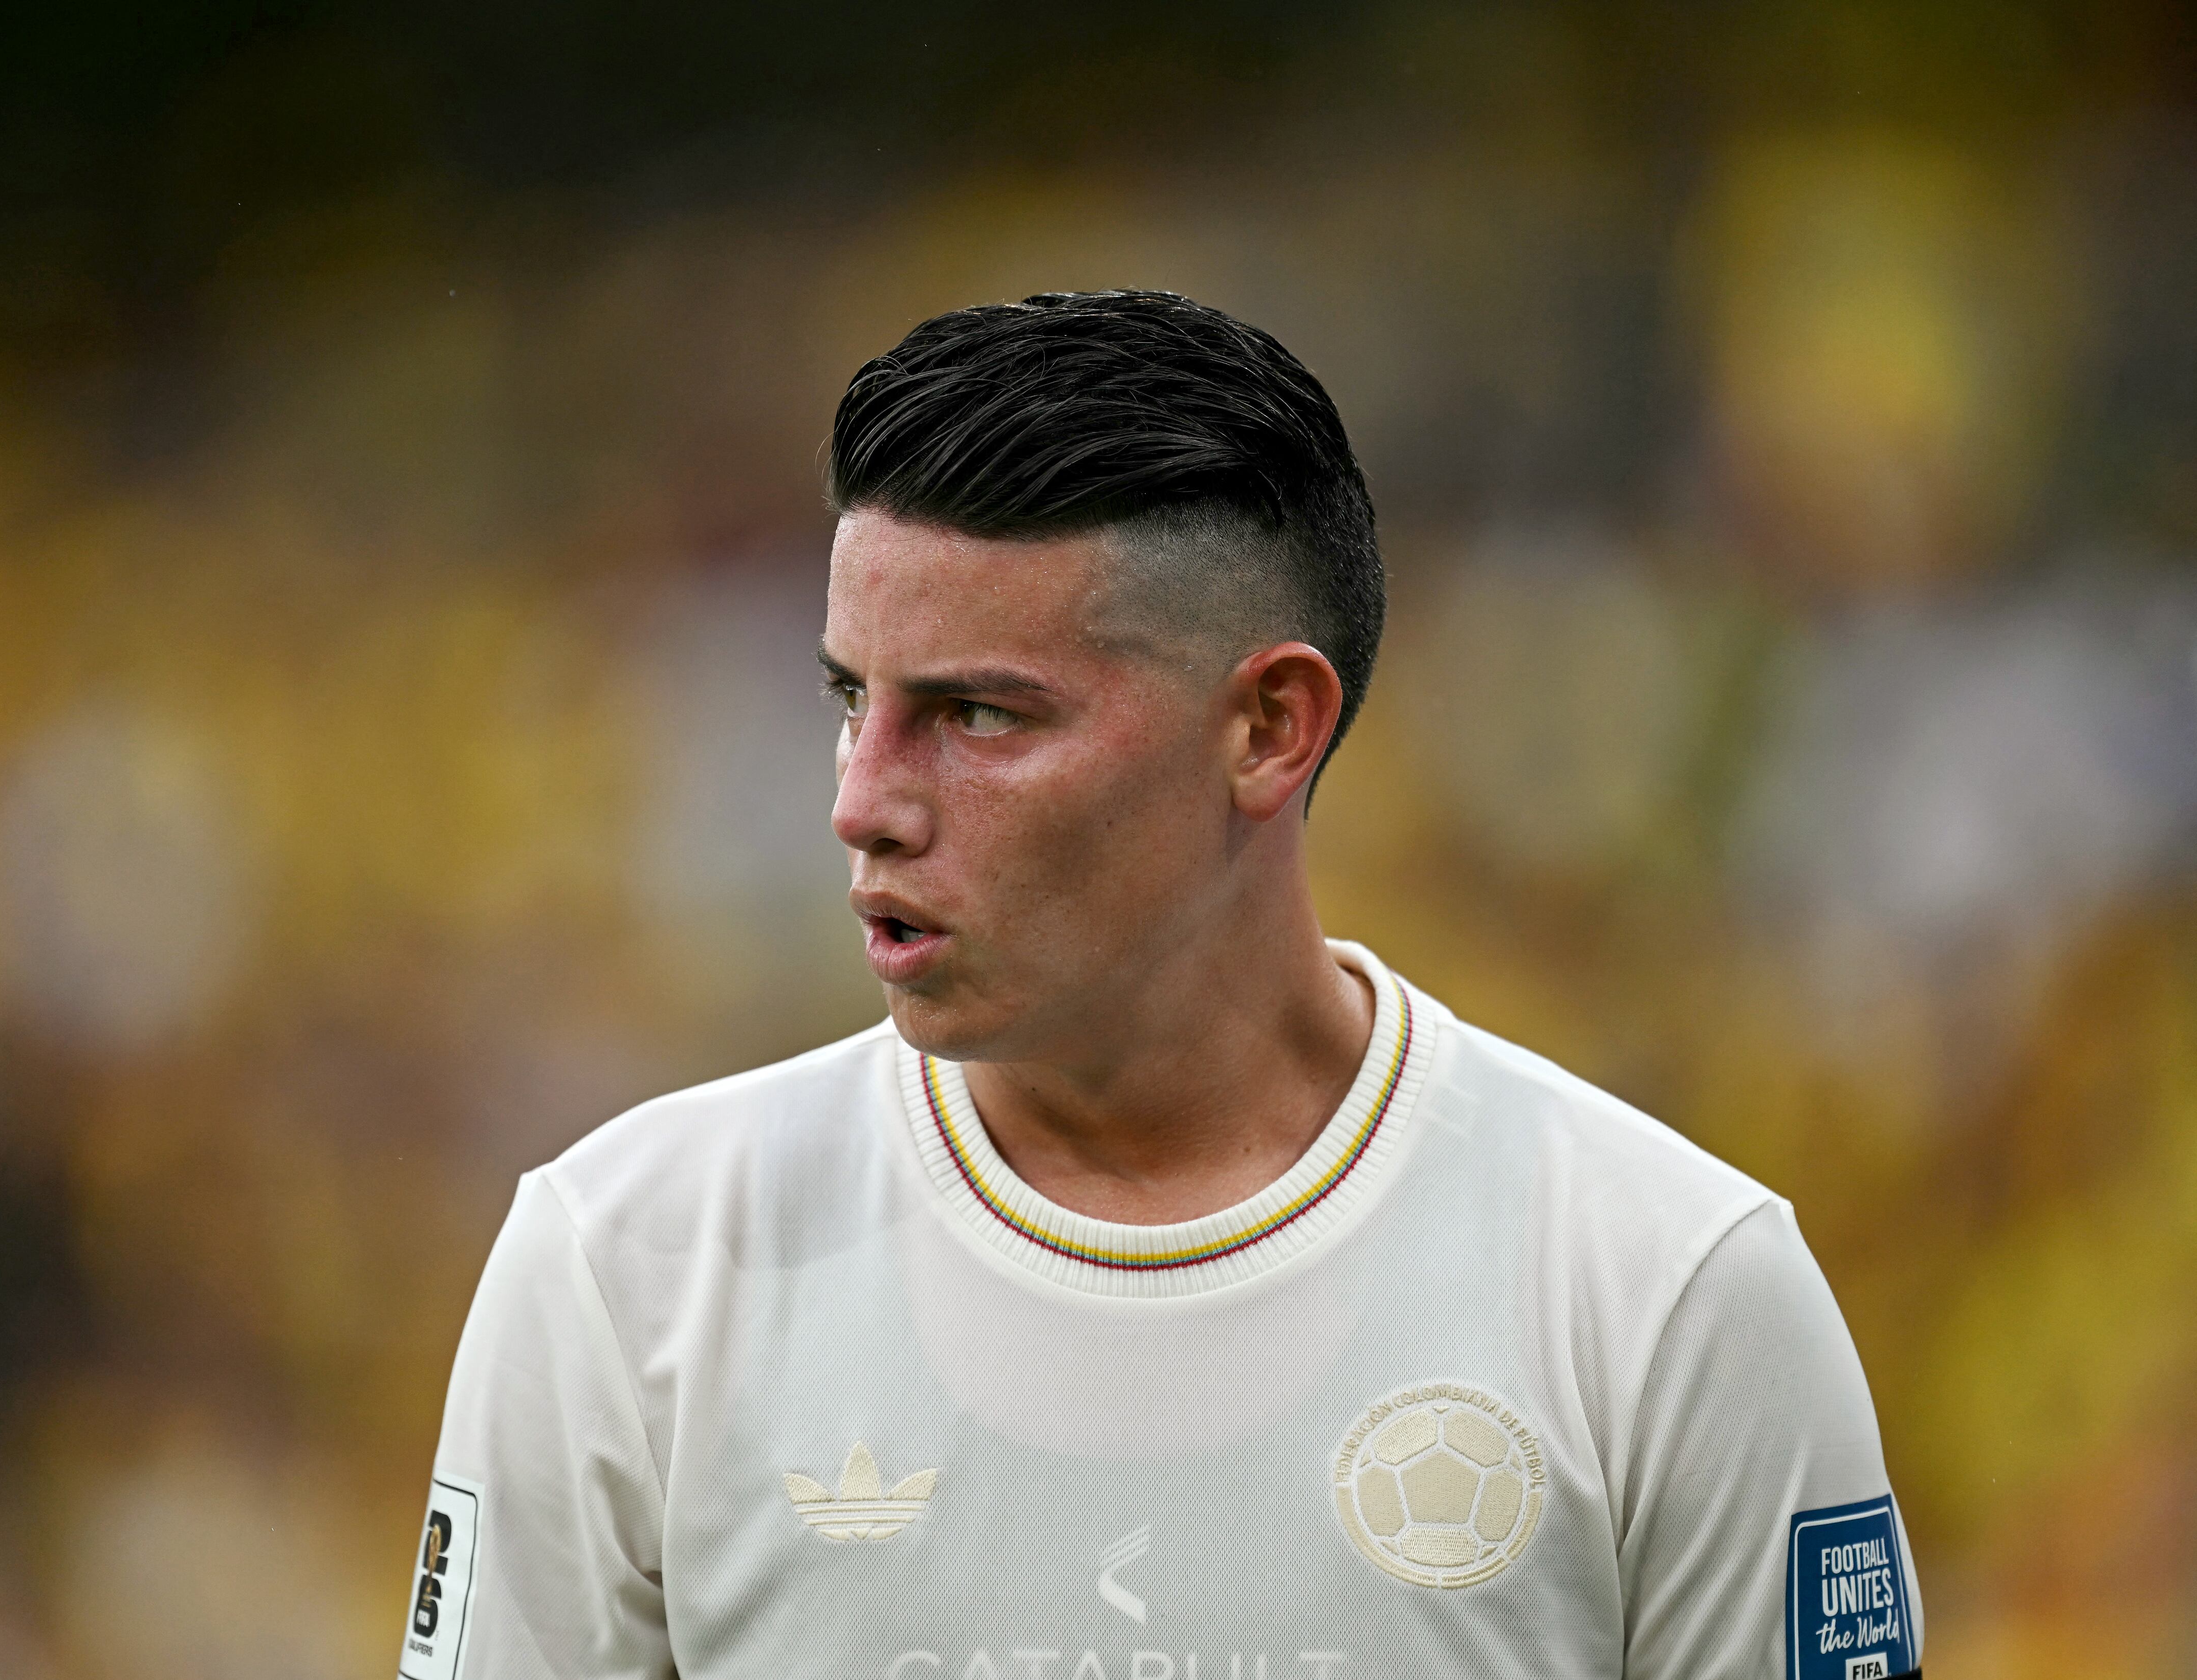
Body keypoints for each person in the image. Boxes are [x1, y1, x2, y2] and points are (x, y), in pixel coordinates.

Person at [398, 291, 1921, 1680]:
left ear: (1268, 728)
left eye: (980, 714)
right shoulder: (629, 1269)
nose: (864, 800)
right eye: (851, 700)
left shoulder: (1673, 1295)